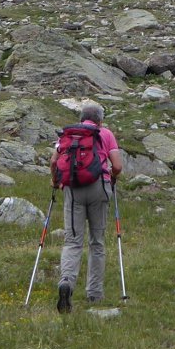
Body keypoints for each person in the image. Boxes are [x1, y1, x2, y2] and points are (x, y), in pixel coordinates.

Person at [50, 101, 123, 313]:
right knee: (97, 242)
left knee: (72, 241)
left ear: (82, 118)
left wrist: (55, 182)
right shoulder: (105, 133)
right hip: (99, 187)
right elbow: (117, 165)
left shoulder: (69, 135)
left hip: (72, 189)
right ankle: (94, 293)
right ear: (100, 119)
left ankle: (67, 282)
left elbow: (54, 162)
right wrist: (112, 177)